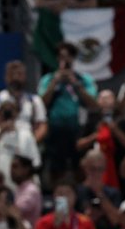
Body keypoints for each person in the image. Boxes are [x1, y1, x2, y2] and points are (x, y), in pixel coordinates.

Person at [39, 42, 99, 179]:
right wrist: (54, 83)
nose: (65, 61)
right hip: (54, 131)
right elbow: (41, 104)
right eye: (61, 57)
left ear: (73, 58)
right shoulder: (48, 79)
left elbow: (94, 105)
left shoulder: (83, 80)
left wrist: (76, 85)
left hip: (78, 131)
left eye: (68, 57)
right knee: (55, 171)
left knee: (79, 169)